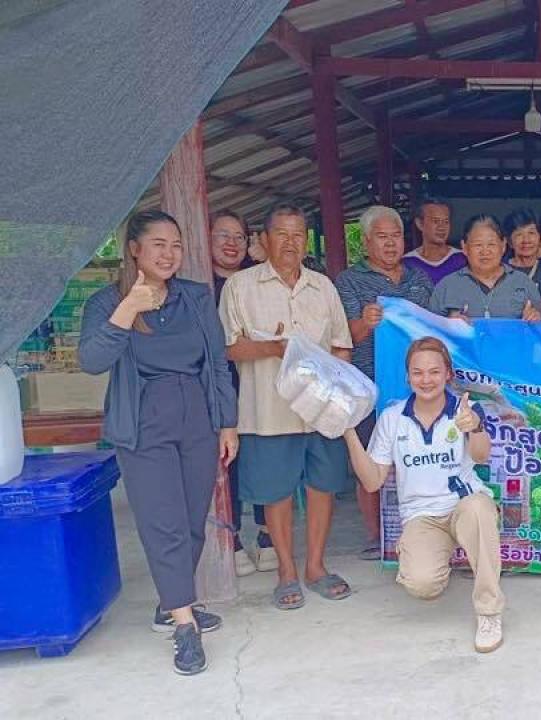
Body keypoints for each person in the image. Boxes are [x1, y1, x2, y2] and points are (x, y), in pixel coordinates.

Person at [79, 210, 238, 675]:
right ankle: (184, 625)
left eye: (176, 245)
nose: (169, 254)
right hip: (144, 422)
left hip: (197, 418)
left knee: (190, 521)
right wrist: (129, 307)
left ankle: (171, 601)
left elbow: (217, 362)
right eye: (158, 245)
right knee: (162, 522)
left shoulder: (195, 296)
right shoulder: (107, 302)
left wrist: (227, 423)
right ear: (134, 249)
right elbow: (92, 360)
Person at [219, 203, 355, 611]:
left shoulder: (323, 287)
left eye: (298, 235)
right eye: (281, 234)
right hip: (268, 411)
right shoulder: (240, 286)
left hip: (320, 412)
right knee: (275, 492)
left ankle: (315, 566)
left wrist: (333, 385)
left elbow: (342, 345)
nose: (291, 243)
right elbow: (228, 348)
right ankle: (285, 571)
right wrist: (273, 348)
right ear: (263, 239)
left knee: (322, 487)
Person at [343, 338, 505, 652]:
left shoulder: (464, 410)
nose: (426, 380)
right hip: (422, 517)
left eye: (434, 372)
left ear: (448, 375)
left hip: (463, 505)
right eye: (418, 372)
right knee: (423, 585)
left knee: (478, 508)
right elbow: (373, 481)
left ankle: (489, 612)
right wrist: (348, 432)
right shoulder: (392, 418)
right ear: (408, 377)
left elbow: (481, 456)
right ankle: (436, 554)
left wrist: (475, 427)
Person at [335, 205, 434, 562]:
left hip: (421, 387)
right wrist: (364, 322)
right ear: (366, 242)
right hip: (369, 386)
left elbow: (437, 326)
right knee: (372, 460)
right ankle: (377, 537)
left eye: (396, 236)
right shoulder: (348, 281)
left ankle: (419, 530)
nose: (391, 243)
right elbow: (341, 337)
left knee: (419, 459)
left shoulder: (420, 279)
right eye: (382, 237)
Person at [209, 210, 275, 577]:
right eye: (223, 235)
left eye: (239, 236)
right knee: (227, 461)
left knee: (263, 456)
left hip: (259, 380)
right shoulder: (198, 286)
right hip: (218, 386)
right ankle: (231, 539)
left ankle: (267, 535)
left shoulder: (258, 281)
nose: (232, 243)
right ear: (207, 239)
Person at [427, 214, 541, 321]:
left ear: (503, 246)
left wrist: (536, 319)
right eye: (478, 245)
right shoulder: (447, 286)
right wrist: (448, 324)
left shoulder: (523, 283)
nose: (485, 251)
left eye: (491, 244)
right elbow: (430, 330)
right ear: (465, 247)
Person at [404, 197, 467, 285]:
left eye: (446, 221)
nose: (441, 227)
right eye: (436, 221)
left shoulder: (462, 259)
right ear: (420, 224)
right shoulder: (407, 263)